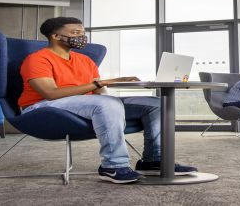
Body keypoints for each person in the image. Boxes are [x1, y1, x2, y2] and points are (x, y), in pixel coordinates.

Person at [18, 17, 196, 184]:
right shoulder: (37, 59)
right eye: (74, 33)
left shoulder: (84, 60)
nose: (81, 37)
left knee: (155, 104)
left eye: (82, 33)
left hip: (83, 104)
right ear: (55, 36)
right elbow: (51, 93)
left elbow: (100, 93)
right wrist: (104, 86)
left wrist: (117, 100)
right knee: (107, 104)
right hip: (42, 107)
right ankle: (113, 165)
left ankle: (154, 159)